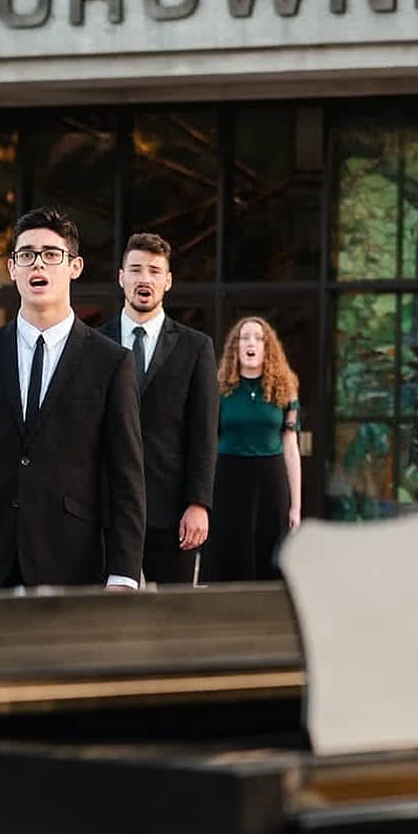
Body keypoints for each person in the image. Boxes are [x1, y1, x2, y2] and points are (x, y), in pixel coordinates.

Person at [0, 207, 144, 594]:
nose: (36, 263)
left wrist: (123, 575)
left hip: (73, 562)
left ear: (74, 266)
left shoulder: (111, 361)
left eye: (50, 254)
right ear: (12, 268)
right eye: (25, 255)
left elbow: (126, 477)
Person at [98, 232, 217, 586]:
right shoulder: (92, 344)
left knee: (174, 624)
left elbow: (204, 432)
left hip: (172, 512)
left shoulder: (196, 348)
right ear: (121, 278)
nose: (144, 278)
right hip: (107, 511)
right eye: (135, 269)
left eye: (154, 270)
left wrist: (199, 503)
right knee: (104, 622)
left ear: (167, 281)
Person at [204, 315, 302, 583]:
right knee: (229, 554)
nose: (251, 343)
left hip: (271, 480)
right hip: (227, 480)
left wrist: (296, 506)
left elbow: (291, 448)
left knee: (269, 558)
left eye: (259, 338)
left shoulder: (285, 391)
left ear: (267, 348)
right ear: (236, 347)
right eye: (245, 337)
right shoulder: (219, 389)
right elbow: (207, 445)